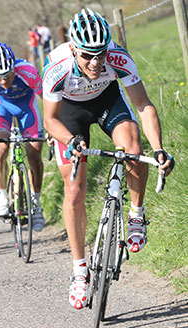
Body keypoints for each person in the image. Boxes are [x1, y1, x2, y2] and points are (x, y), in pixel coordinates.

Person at [42, 8, 174, 309]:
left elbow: (143, 105)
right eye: (88, 55)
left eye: (100, 54)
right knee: (74, 189)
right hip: (69, 113)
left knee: (133, 149)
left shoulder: (117, 58)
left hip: (107, 99)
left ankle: (136, 214)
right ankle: (79, 272)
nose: (96, 62)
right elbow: (50, 119)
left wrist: (159, 149)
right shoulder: (56, 66)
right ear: (74, 48)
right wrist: (70, 140)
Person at [0, 41, 45, 232]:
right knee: (1, 149)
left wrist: (52, 127)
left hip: (26, 108)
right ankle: (3, 196)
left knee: (34, 156)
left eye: (7, 75)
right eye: (0, 77)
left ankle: (36, 204)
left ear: (14, 67)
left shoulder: (28, 71)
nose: (4, 81)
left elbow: (48, 99)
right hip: (2, 108)